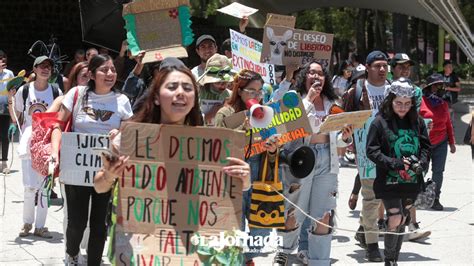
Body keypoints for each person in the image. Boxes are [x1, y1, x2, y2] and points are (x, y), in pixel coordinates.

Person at [92, 63, 251, 264]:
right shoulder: (130, 140)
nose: (180, 93)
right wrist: (109, 175)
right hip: (140, 250)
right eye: (172, 87)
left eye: (187, 88)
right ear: (157, 97)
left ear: (194, 99)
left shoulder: (212, 147)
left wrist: (243, 181)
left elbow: (222, 196)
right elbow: (99, 186)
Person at [50, 54, 133, 265]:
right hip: (77, 168)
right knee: (76, 221)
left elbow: (131, 133)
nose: (110, 74)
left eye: (113, 70)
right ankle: (72, 254)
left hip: (106, 171)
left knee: (99, 223)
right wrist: (54, 152)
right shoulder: (76, 94)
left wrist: (119, 132)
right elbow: (57, 125)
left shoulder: (122, 101)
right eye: (104, 70)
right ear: (92, 74)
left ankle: (94, 261)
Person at [273, 60, 353, 266]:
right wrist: (309, 100)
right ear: (304, 77)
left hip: (327, 160)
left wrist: (345, 137)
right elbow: (289, 128)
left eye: (320, 74)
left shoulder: (334, 104)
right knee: (293, 211)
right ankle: (283, 250)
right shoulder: (293, 99)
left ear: (325, 78)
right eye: (311, 73)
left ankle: (320, 261)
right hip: (300, 159)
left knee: (324, 214)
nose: (316, 77)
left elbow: (337, 139)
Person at [214, 69, 278, 265]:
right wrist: (243, 129)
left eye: (259, 92)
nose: (256, 96)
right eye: (251, 91)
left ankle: (244, 258)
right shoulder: (225, 113)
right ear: (239, 90)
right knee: (236, 229)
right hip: (233, 177)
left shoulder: (264, 113)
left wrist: (273, 149)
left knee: (263, 231)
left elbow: (272, 149)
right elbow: (217, 146)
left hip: (259, 175)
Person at [366, 78, 431, 265]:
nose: (402, 107)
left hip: (411, 181)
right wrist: (395, 163)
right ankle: (388, 259)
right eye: (398, 103)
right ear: (390, 101)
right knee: (394, 216)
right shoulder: (379, 122)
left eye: (407, 104)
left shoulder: (417, 121)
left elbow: (426, 147)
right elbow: (372, 150)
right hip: (388, 179)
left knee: (403, 218)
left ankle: (394, 259)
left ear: (412, 104)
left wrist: (422, 163)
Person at [342, 50, 391, 262]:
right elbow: (344, 124)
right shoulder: (355, 93)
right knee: (371, 198)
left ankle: (363, 229)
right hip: (366, 154)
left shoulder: (395, 91)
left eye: (385, 65)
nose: (382, 69)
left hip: (390, 154)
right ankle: (372, 245)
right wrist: (346, 139)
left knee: (381, 197)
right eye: (377, 65)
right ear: (368, 68)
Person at [12, 56, 63, 238]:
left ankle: (40, 226)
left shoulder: (56, 91)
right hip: (28, 141)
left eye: (49, 67)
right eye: (42, 66)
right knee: (29, 187)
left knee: (44, 187)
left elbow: (61, 116)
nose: (45, 69)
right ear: (34, 69)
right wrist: (10, 101)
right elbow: (16, 116)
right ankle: (27, 223)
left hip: (47, 142)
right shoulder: (24, 90)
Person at [390, 52, 431, 240]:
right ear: (393, 68)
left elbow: (416, 114)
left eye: (408, 66)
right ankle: (380, 224)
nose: (405, 69)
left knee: (411, 182)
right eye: (401, 66)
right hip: (390, 142)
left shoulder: (416, 91)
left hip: (410, 142)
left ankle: (412, 225)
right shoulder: (387, 88)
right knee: (388, 186)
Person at [419, 73, 456, 211]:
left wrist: (452, 143)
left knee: (438, 172)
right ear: (429, 87)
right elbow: (414, 121)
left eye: (441, 85)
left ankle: (435, 198)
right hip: (424, 143)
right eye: (436, 85)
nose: (439, 88)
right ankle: (415, 194)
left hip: (441, 142)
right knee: (421, 170)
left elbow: (448, 124)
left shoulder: (443, 104)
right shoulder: (421, 101)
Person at [197, 54, 233, 125]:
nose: (222, 85)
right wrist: (210, 115)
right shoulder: (198, 94)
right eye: (217, 82)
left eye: (225, 82)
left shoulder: (231, 95)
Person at [332, 60, 353, 167]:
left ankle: (342, 156)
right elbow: (334, 93)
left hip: (346, 108)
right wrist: (340, 98)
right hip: (337, 108)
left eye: (351, 70)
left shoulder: (351, 81)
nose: (349, 72)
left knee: (345, 132)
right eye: (347, 70)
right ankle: (336, 157)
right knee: (336, 132)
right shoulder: (337, 79)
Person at [0, 50, 15, 172]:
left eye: (4, 59)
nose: (2, 61)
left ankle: (4, 162)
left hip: (5, 108)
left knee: (5, 136)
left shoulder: (9, 73)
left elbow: (12, 89)